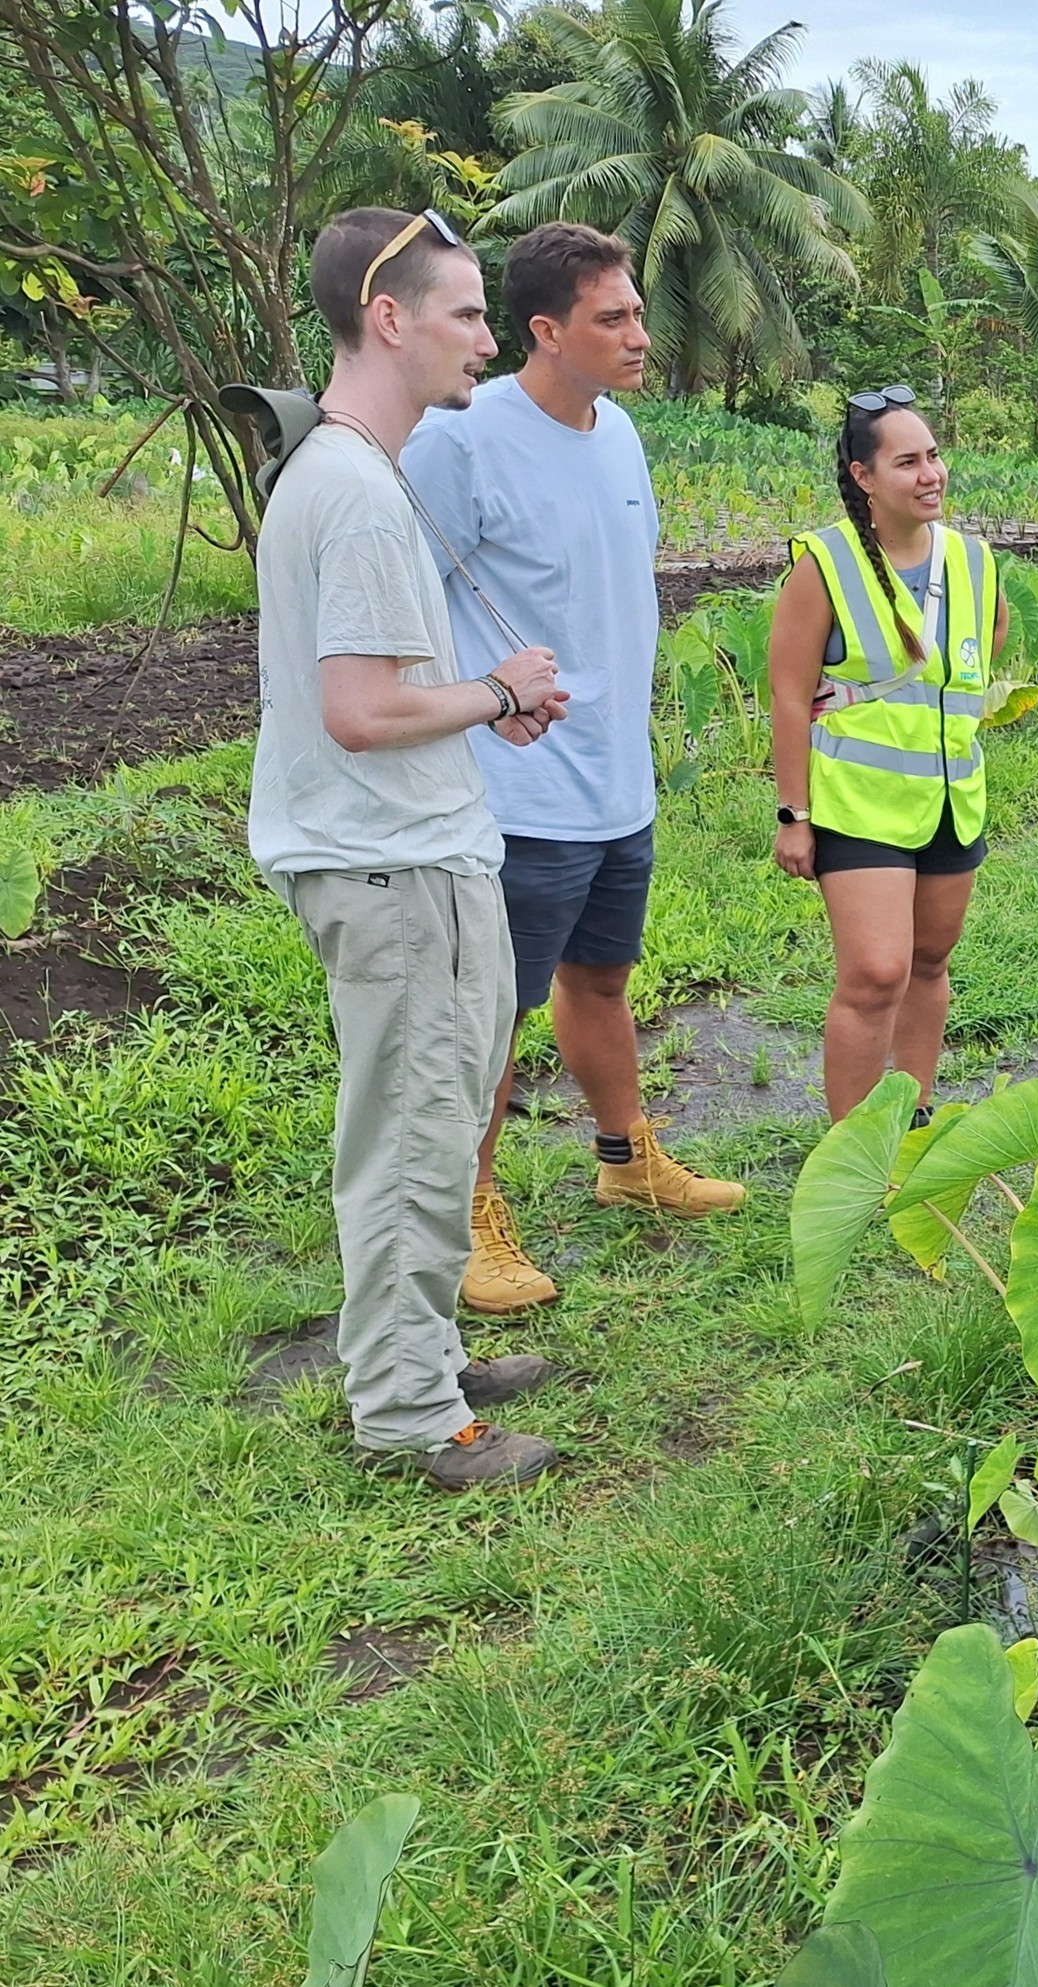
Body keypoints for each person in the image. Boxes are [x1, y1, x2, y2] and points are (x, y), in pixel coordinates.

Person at [246, 207, 568, 1490]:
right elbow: (364, 710)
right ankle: (409, 1414)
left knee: (423, 1124)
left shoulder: (348, 469)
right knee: (414, 1139)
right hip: (392, 863)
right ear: (390, 319)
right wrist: (497, 692)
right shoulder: (360, 495)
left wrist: (486, 697)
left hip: (404, 854)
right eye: (468, 314)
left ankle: (418, 1350)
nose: (486, 340)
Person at [407, 221, 746, 1319]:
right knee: (492, 1009)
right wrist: (479, 699)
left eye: (637, 312)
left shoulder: (620, 433)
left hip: (615, 776)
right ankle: (465, 1209)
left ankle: (625, 1156)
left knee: (600, 978)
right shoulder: (460, 440)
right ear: (545, 331)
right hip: (516, 784)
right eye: (614, 318)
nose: (639, 334)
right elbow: (400, 600)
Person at [766, 387, 1008, 1119]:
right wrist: (792, 814)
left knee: (929, 964)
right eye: (907, 462)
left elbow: (983, 647)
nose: (930, 473)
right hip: (857, 805)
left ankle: (914, 1113)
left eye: (933, 455)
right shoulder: (824, 563)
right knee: (876, 973)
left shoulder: (973, 560)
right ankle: (852, 1147)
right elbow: (786, 693)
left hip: (949, 802)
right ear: (863, 476)